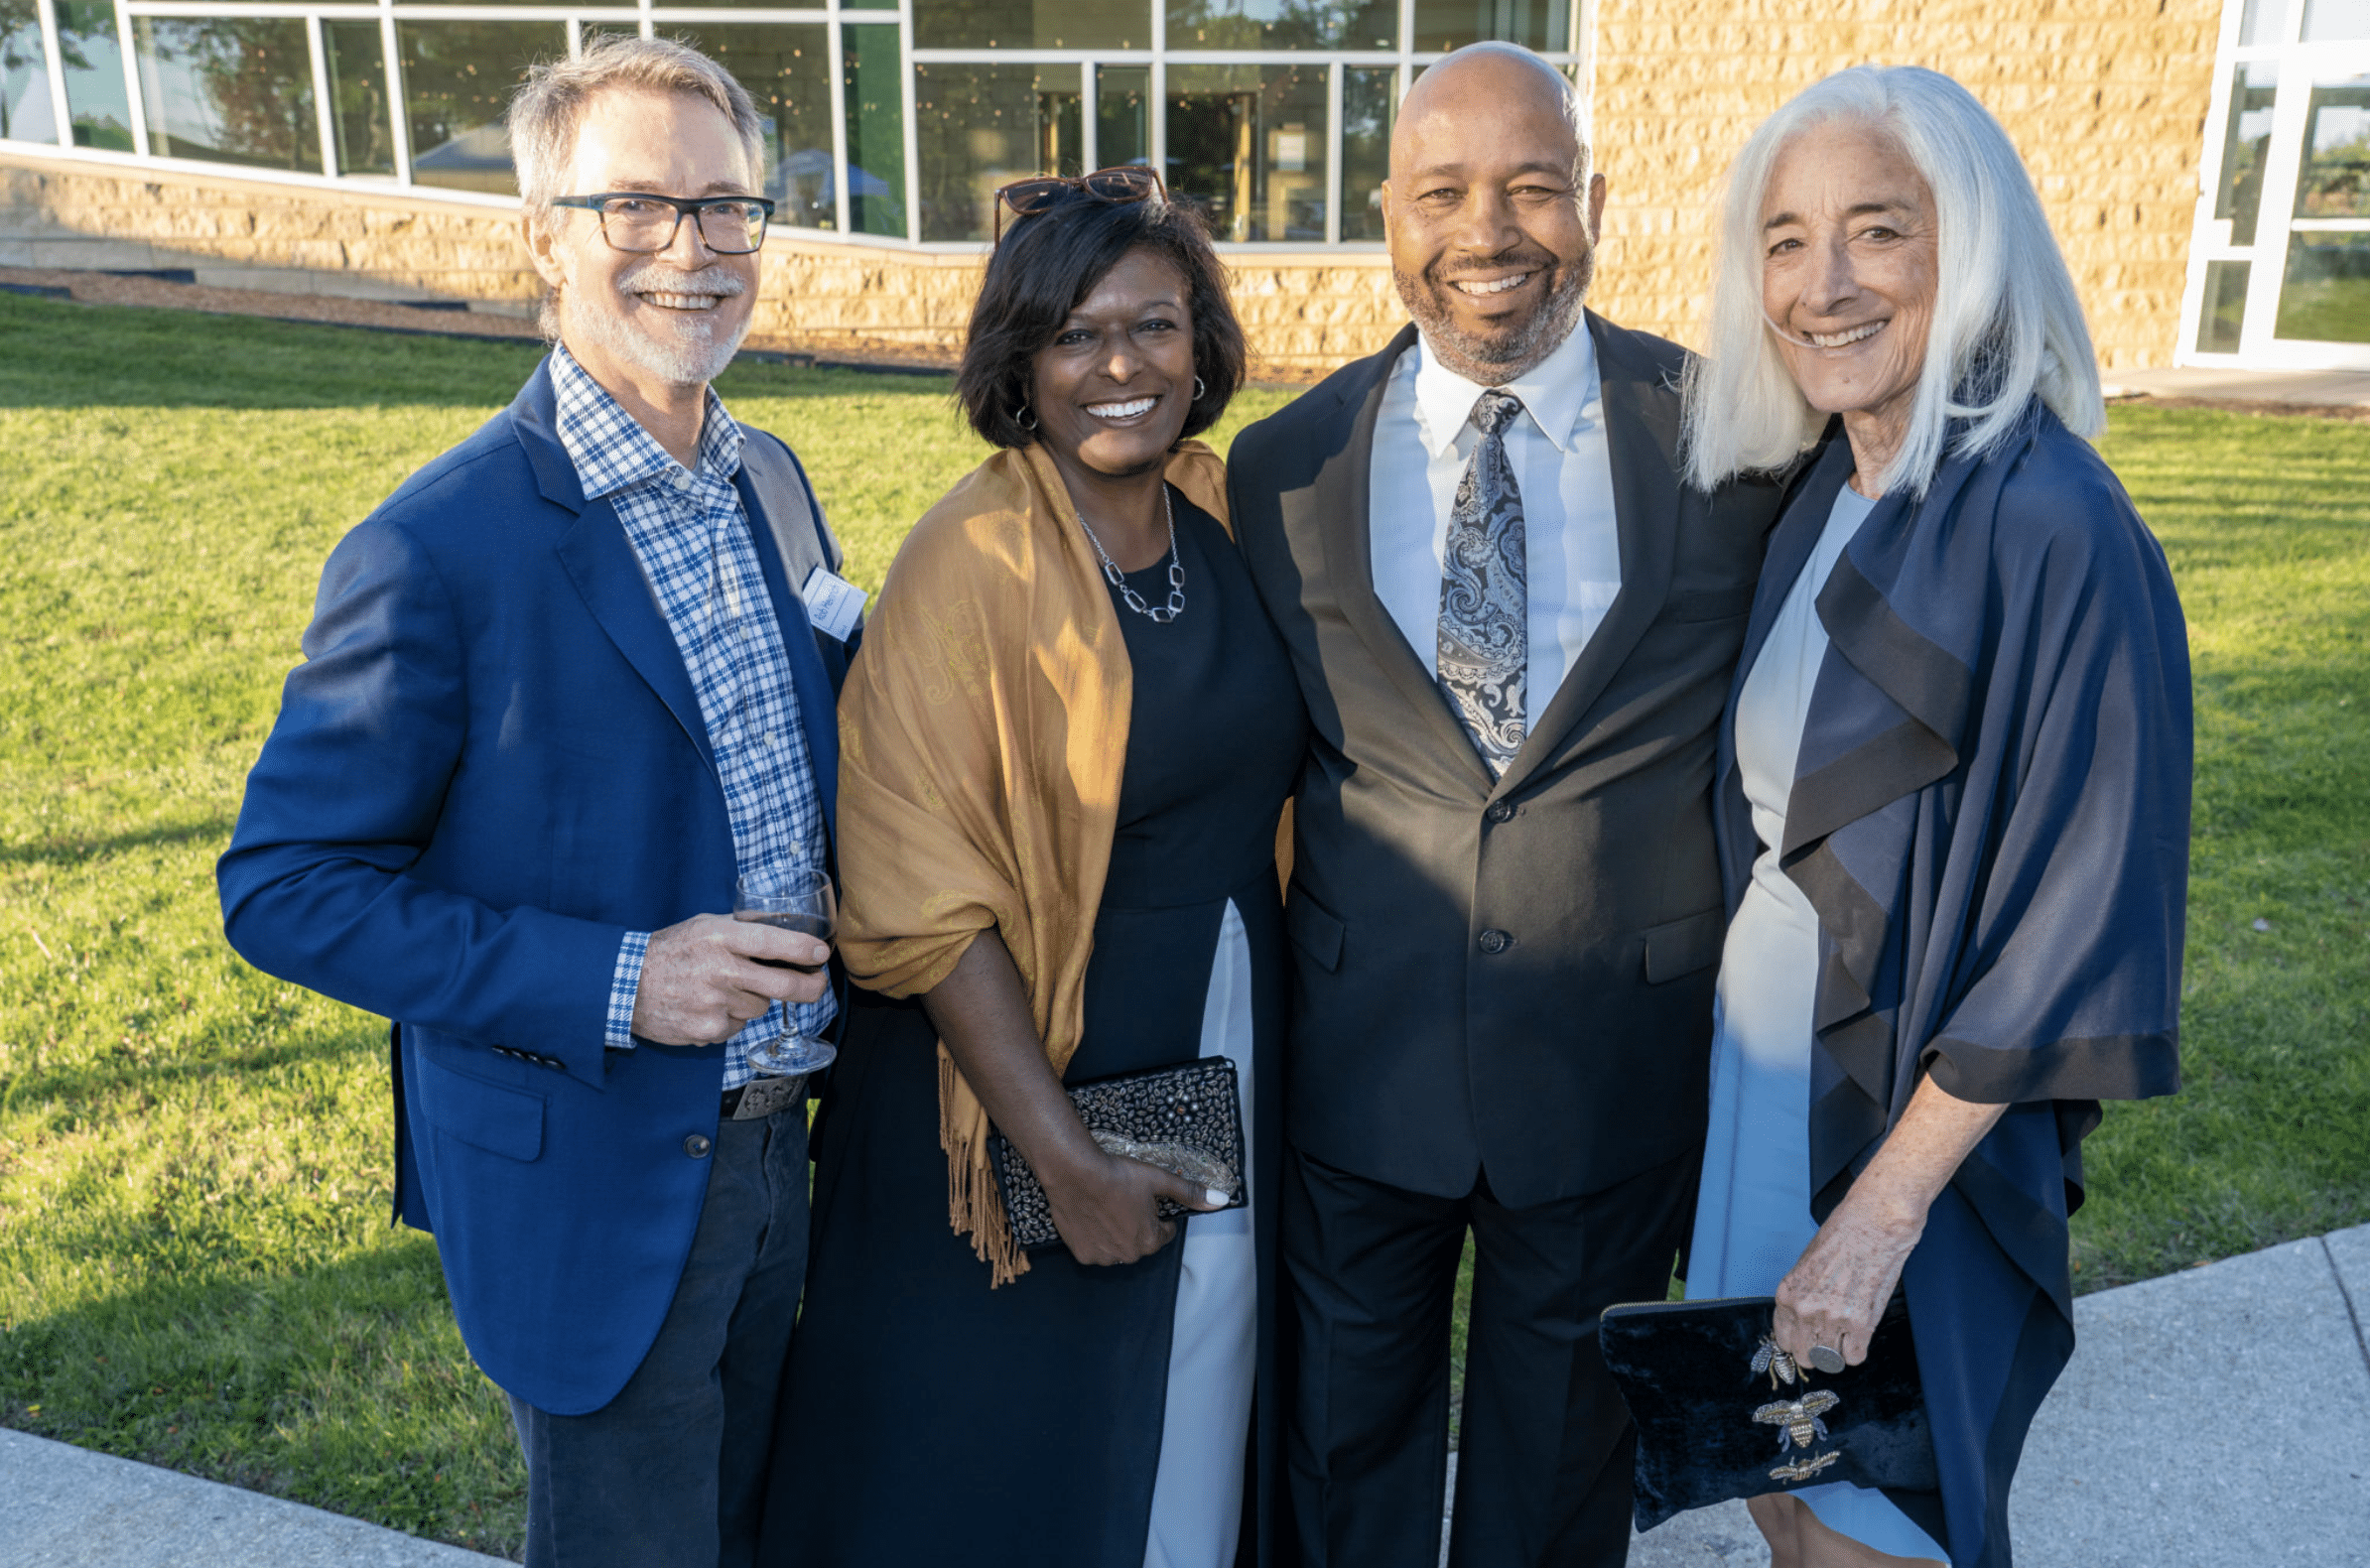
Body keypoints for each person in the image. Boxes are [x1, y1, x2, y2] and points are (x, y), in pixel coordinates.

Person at [215, 37, 863, 1568]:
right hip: (595, 1181)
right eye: (636, 205)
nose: (692, 249)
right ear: (541, 236)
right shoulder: (435, 549)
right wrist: (628, 979)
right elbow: (284, 888)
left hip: (782, 1153)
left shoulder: (768, 479)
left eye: (726, 206)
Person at [1226, 42, 1786, 1568]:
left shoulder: (1735, 439)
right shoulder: (1283, 468)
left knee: (1557, 1481)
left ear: (1597, 201)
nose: (1486, 233)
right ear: (1386, 215)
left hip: (1614, 1061)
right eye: (1443, 193)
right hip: (1360, 1058)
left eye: (1533, 187)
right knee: (1338, 1453)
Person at [1676, 65, 2190, 1568]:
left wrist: (1882, 1214)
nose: (1823, 284)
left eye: (1879, 231)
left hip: (1910, 1126)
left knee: (1873, 1525)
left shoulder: (2055, 524)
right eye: (1785, 240)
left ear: (1971, 248)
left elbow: (2086, 916)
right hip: (1765, 1083)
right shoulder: (1819, 498)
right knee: (1781, 1492)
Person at [761, 171, 1301, 1568]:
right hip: (1022, 1074)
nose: (1122, 366)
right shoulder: (970, 559)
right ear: (1020, 364)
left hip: (1219, 1034)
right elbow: (915, 899)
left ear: (1203, 345)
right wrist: (1061, 1160)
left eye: (1155, 325)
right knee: (997, 1458)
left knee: (1188, 1400)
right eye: (1076, 335)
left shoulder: (1223, 515)